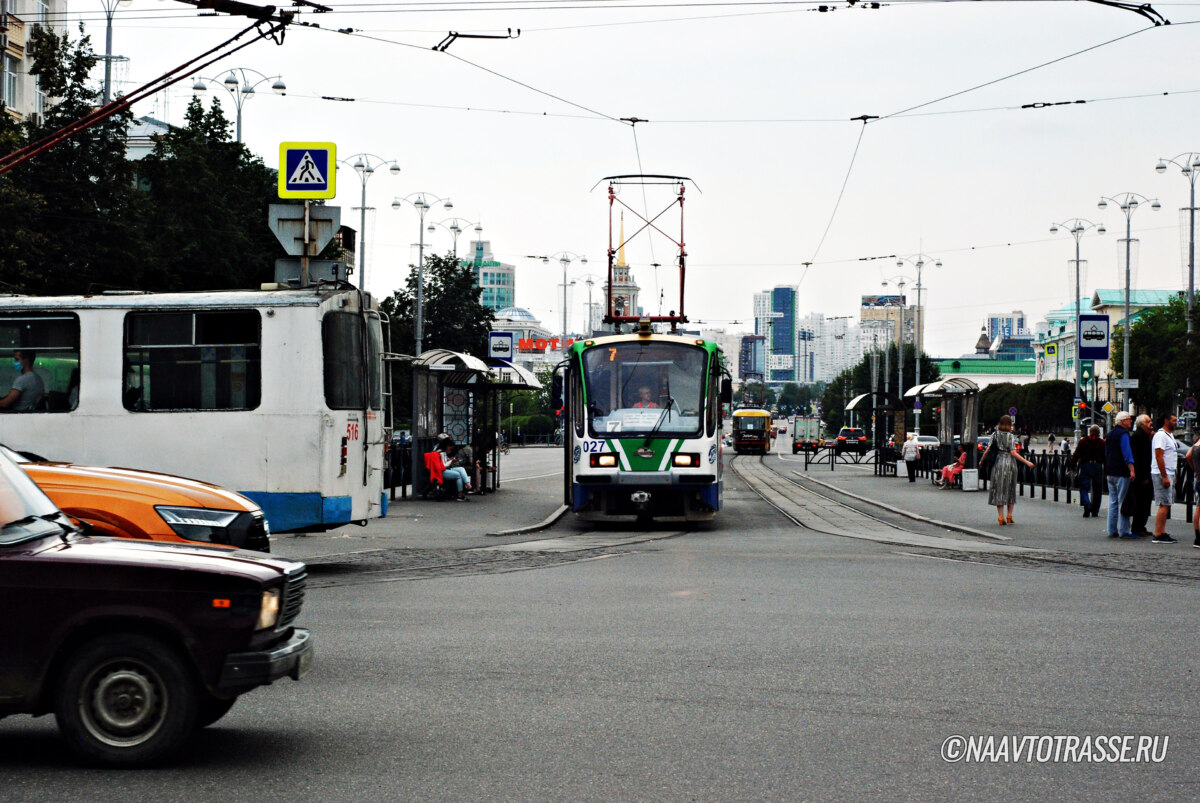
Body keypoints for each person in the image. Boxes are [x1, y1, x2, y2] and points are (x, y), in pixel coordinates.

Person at [986, 414, 1034, 525]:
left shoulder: (994, 435)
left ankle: (1000, 517)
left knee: (999, 489)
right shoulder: (1010, 436)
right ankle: (1009, 515)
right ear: (1010, 425)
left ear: (999, 424)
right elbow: (1013, 453)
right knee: (1010, 489)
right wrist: (1027, 462)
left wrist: (982, 461)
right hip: (1010, 464)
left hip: (998, 464)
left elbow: (988, 449)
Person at [1104, 411, 1137, 539]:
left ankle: (1111, 530)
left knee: (1113, 502)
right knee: (1123, 502)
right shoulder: (1123, 434)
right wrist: (1132, 470)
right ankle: (1124, 531)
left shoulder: (1110, 434)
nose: (1131, 421)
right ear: (1123, 421)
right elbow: (1127, 453)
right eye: (1129, 419)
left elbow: (1106, 453)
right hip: (1122, 472)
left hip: (1110, 471)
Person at [1149, 413, 1179, 544]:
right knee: (1164, 503)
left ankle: (1162, 531)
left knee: (1167, 503)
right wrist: (1164, 476)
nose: (1176, 422)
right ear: (1166, 421)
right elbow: (1159, 456)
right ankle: (1158, 533)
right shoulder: (1161, 435)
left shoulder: (1169, 435)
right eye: (1173, 420)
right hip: (1162, 473)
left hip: (1169, 472)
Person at [1126, 414, 1154, 538]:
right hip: (1142, 475)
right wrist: (1143, 476)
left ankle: (1141, 526)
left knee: (1145, 502)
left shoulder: (1144, 436)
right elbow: (1140, 458)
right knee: (1142, 502)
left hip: (1145, 474)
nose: (1151, 424)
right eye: (1148, 422)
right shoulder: (1138, 436)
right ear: (1142, 425)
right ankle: (1137, 527)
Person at [1069, 424, 1105, 518]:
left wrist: (1072, 466)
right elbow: (1106, 457)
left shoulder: (1083, 441)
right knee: (1097, 490)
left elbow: (1076, 454)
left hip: (1085, 466)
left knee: (1084, 488)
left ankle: (1087, 505)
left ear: (1090, 432)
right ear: (1099, 433)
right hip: (1097, 466)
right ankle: (1095, 511)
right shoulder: (1102, 442)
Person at [1186, 434, 1200, 549]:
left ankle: (1197, 537)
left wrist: (1194, 468)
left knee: (1198, 508)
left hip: (1198, 478)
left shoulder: (1196, 444)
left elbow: (1188, 455)